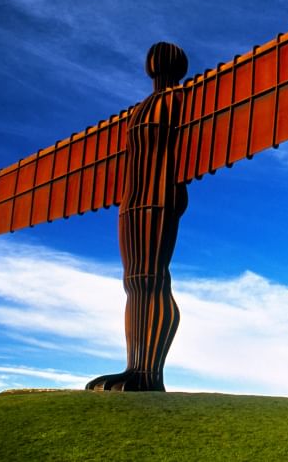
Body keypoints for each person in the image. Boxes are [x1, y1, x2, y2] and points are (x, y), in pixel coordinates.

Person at [86, 42, 188, 392]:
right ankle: (135, 368)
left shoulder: (184, 99)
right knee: (134, 282)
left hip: (160, 199)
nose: (153, 61)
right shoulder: (139, 110)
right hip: (132, 204)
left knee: (152, 278)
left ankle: (149, 374)